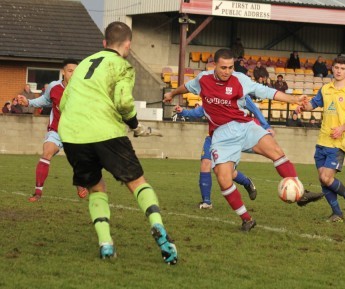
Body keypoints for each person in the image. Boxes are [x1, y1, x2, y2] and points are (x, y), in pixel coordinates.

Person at [58, 21, 177, 264]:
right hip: (106, 131)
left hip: (71, 134)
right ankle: (159, 231)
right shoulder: (122, 66)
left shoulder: (81, 67)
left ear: (104, 43)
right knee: (137, 183)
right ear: (128, 45)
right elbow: (123, 103)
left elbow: (63, 103)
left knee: (95, 187)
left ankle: (105, 244)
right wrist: (134, 125)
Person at [164, 48, 316, 232]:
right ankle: (247, 219)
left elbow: (267, 92)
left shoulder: (240, 80)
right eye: (223, 67)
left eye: (230, 67)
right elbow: (187, 87)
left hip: (244, 126)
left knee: (276, 151)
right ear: (215, 65)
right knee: (224, 178)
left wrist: (294, 99)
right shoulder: (203, 79)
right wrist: (172, 94)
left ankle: (300, 191)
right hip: (221, 135)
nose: (227, 71)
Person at [297, 55, 345, 223]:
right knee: (323, 179)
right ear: (332, 69)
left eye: (343, 68)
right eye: (337, 68)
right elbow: (313, 104)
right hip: (322, 140)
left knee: (327, 178)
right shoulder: (325, 89)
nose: (339, 71)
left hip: (338, 142)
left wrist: (343, 127)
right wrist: (303, 107)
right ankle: (337, 214)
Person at [17, 59, 88, 202]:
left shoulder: (84, 90)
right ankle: (37, 192)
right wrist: (29, 102)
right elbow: (45, 100)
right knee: (47, 152)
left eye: (76, 71)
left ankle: (80, 184)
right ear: (63, 73)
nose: (73, 74)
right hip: (56, 130)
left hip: (75, 133)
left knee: (78, 161)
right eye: (70, 71)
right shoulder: (54, 87)